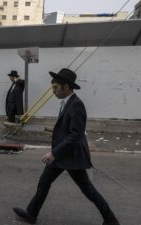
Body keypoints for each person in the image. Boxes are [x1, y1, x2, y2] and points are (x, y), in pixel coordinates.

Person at [13, 68, 120, 225]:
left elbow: (75, 135)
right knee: (44, 181)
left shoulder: (77, 105)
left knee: (88, 189)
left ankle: (111, 220)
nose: (53, 91)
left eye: (56, 88)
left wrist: (54, 152)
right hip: (61, 154)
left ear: (67, 87)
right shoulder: (66, 102)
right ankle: (31, 213)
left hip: (71, 156)